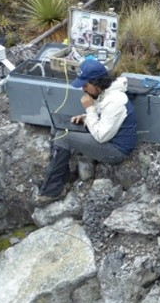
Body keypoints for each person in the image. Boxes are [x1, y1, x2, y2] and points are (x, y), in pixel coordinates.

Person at [38, 59, 138, 203]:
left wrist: (89, 109)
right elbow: (103, 118)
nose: (83, 89)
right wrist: (85, 117)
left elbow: (101, 135)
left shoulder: (115, 100)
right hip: (107, 136)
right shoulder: (104, 93)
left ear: (98, 83)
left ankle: (51, 191)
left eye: (85, 85)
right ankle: (61, 178)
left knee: (63, 136)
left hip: (116, 149)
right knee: (58, 126)